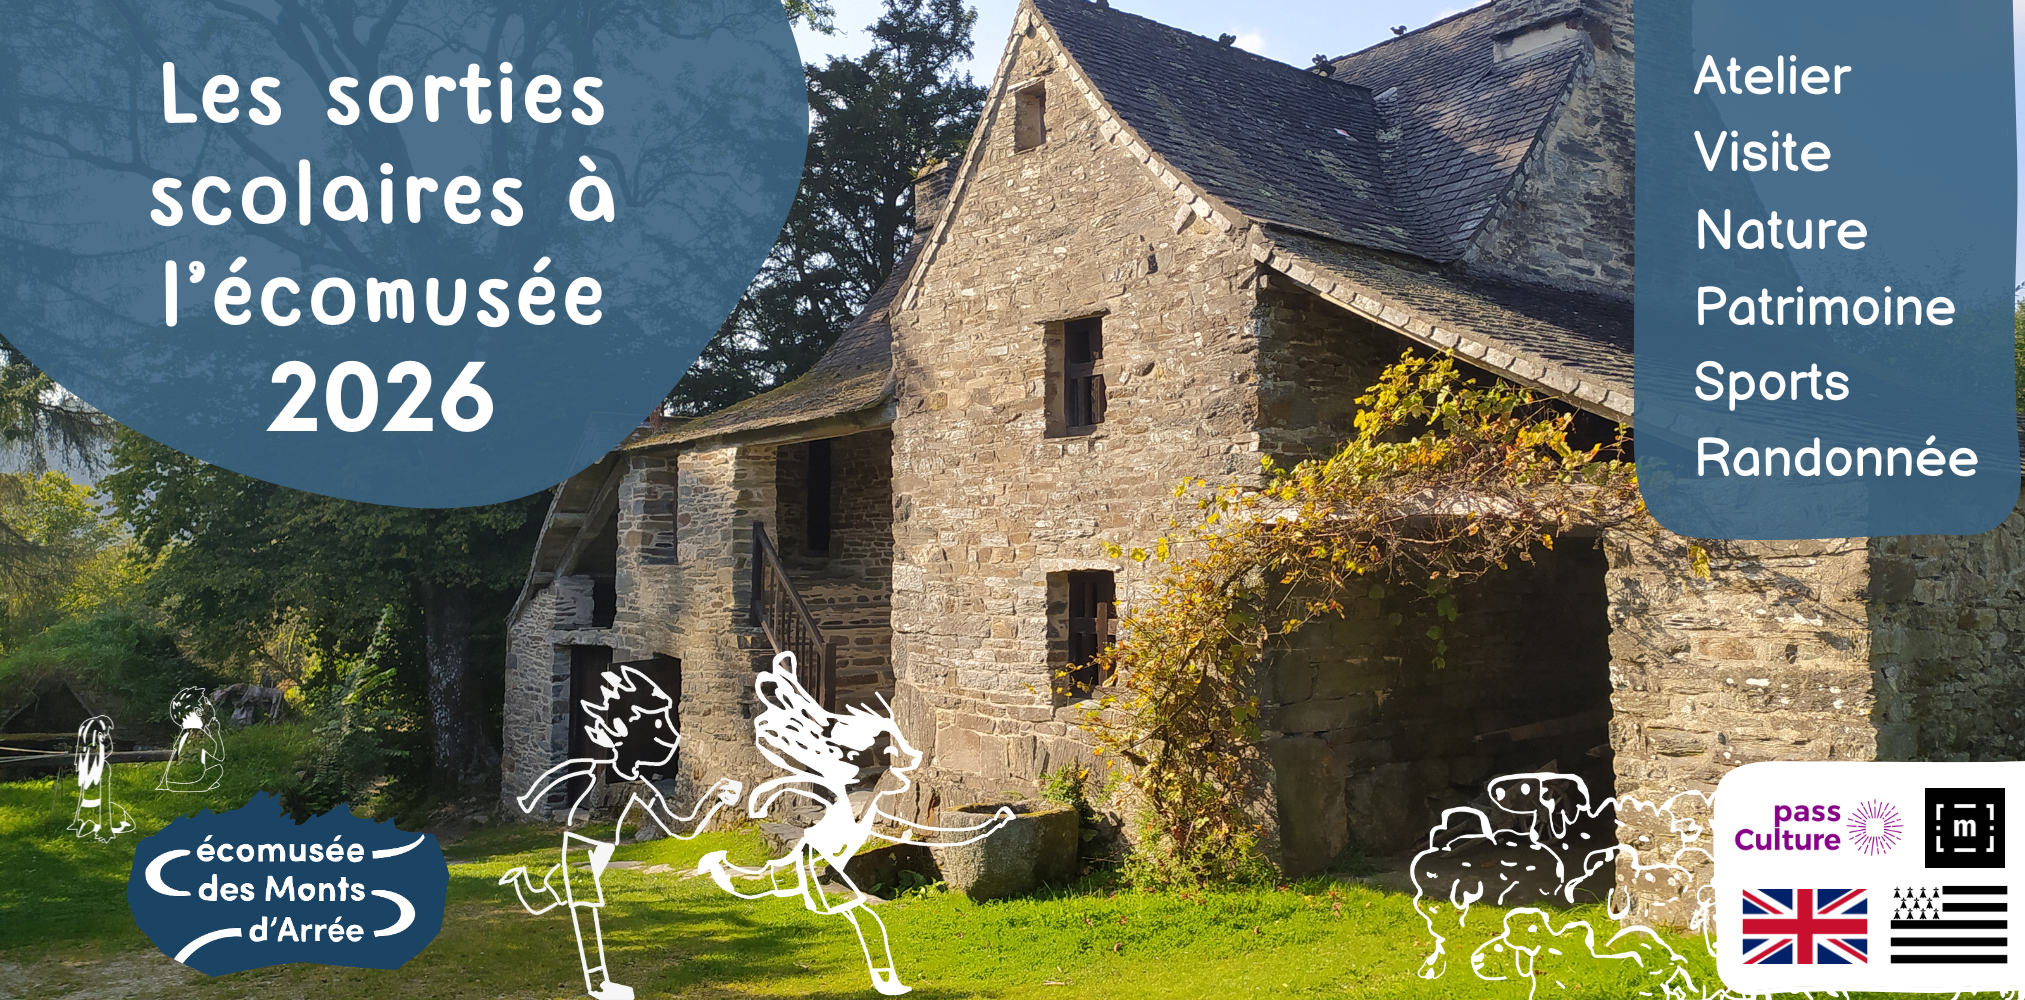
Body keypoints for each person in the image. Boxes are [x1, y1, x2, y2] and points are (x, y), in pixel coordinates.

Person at [699, 652, 1013, 996]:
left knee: (841, 910)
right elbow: (920, 835)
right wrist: (987, 828)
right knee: (864, 917)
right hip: (818, 870)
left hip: (820, 865)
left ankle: (723, 868)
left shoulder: (869, 805)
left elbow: (923, 833)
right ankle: (723, 868)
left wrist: (988, 827)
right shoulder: (845, 805)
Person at [500, 664, 740, 1000]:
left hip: (597, 852)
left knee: (578, 905)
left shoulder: (633, 781)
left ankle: (530, 885)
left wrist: (715, 801)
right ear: (622, 727)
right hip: (586, 850)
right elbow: (554, 782)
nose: (670, 734)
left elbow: (679, 820)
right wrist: (532, 799)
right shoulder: (593, 770)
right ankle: (597, 979)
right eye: (658, 723)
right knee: (585, 911)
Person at [68, 715, 134, 841]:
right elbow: (106, 750)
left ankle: (87, 822)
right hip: (93, 768)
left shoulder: (88, 736)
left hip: (90, 768)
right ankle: (92, 823)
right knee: (92, 796)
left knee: (89, 795)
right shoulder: (96, 736)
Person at [157, 686, 224, 792]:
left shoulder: (185, 735)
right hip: (195, 780)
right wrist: (217, 731)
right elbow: (219, 756)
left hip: (171, 783)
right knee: (219, 768)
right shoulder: (198, 735)